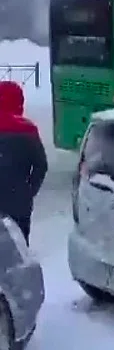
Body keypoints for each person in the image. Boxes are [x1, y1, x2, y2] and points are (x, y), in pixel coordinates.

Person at [0, 80, 48, 245]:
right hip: (18, 203)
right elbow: (41, 165)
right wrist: (28, 191)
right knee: (18, 246)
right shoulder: (28, 130)